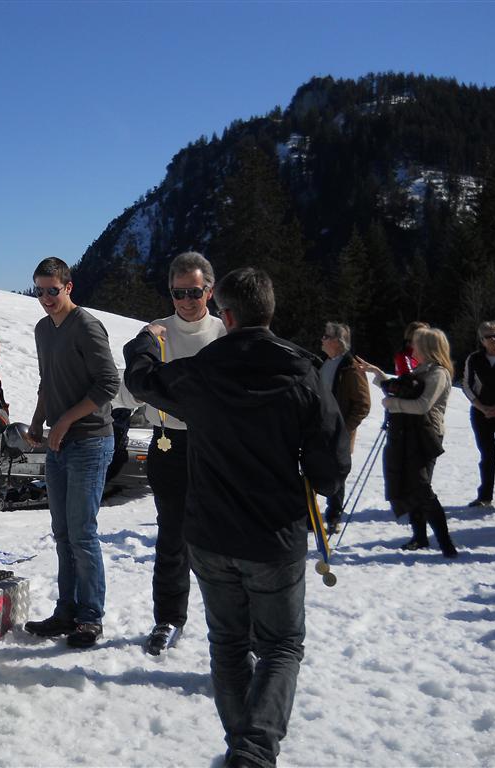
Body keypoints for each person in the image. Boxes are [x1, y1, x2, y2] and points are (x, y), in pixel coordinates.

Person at [123, 267, 350, 768]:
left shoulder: (203, 370)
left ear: (224, 315)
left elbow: (141, 381)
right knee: (280, 647)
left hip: (210, 533)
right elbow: (330, 471)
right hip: (274, 534)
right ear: (269, 311)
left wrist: (145, 342)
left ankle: (242, 750)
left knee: (227, 646)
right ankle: (253, 751)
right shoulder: (302, 370)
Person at [23, 257, 120, 649]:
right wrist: (37, 422)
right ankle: (66, 610)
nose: (46, 298)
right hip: (58, 443)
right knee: (62, 533)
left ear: (68, 287)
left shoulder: (86, 326)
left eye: (52, 290)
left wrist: (63, 421)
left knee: (82, 532)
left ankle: (90, 617)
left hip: (90, 441)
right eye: (39, 290)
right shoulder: (43, 329)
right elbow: (47, 382)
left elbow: (109, 383)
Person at [139, 251, 225, 656]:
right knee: (172, 535)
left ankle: (230, 623)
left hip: (213, 445)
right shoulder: (156, 333)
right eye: (178, 293)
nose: (187, 301)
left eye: (194, 292)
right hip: (168, 442)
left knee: (218, 537)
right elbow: (133, 387)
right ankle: (168, 618)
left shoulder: (224, 334)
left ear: (210, 290)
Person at [356, 327, 459, 557]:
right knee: (411, 485)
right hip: (410, 433)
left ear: (428, 348)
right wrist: (378, 373)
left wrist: (393, 405)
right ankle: (419, 537)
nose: (413, 349)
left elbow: (422, 405)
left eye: (417, 345)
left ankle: (446, 544)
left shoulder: (438, 373)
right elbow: (402, 389)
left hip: (427, 435)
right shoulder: (422, 370)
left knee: (422, 487)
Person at [319, 322, 371, 532]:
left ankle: (334, 517)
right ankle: (311, 518)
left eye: (326, 336)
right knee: (316, 471)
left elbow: (363, 404)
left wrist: (344, 428)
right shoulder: (327, 363)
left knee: (336, 476)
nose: (322, 339)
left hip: (338, 433)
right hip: (320, 429)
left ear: (336, 341)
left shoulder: (351, 367)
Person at [461, 321, 495, 515]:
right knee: (486, 456)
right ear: (482, 340)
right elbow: (466, 385)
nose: (494, 339)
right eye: (489, 336)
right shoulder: (474, 359)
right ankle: (484, 496)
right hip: (481, 413)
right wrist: (481, 407)